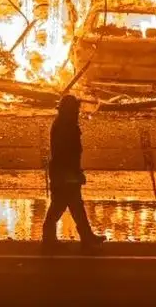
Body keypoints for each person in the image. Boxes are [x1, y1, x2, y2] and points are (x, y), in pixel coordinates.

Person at [42, 94, 105, 248]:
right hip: (64, 174)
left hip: (65, 172)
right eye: (75, 111)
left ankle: (85, 236)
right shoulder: (64, 127)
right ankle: (50, 237)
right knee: (61, 205)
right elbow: (66, 154)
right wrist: (74, 175)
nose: (77, 114)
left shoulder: (65, 125)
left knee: (74, 205)